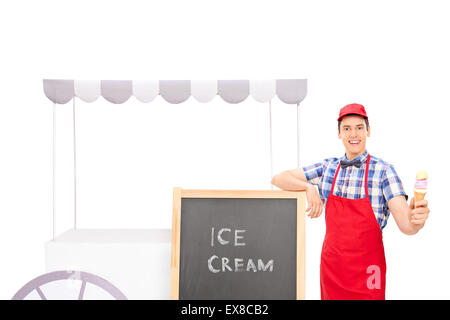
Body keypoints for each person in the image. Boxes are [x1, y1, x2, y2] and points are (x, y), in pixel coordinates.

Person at [271, 103, 430, 300]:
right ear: (339, 133)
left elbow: (407, 226)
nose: (353, 134)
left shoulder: (384, 172)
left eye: (359, 127)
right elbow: (278, 178)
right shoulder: (328, 168)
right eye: (347, 128)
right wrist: (308, 187)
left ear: (368, 131)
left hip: (369, 273)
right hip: (332, 271)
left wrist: (417, 221)